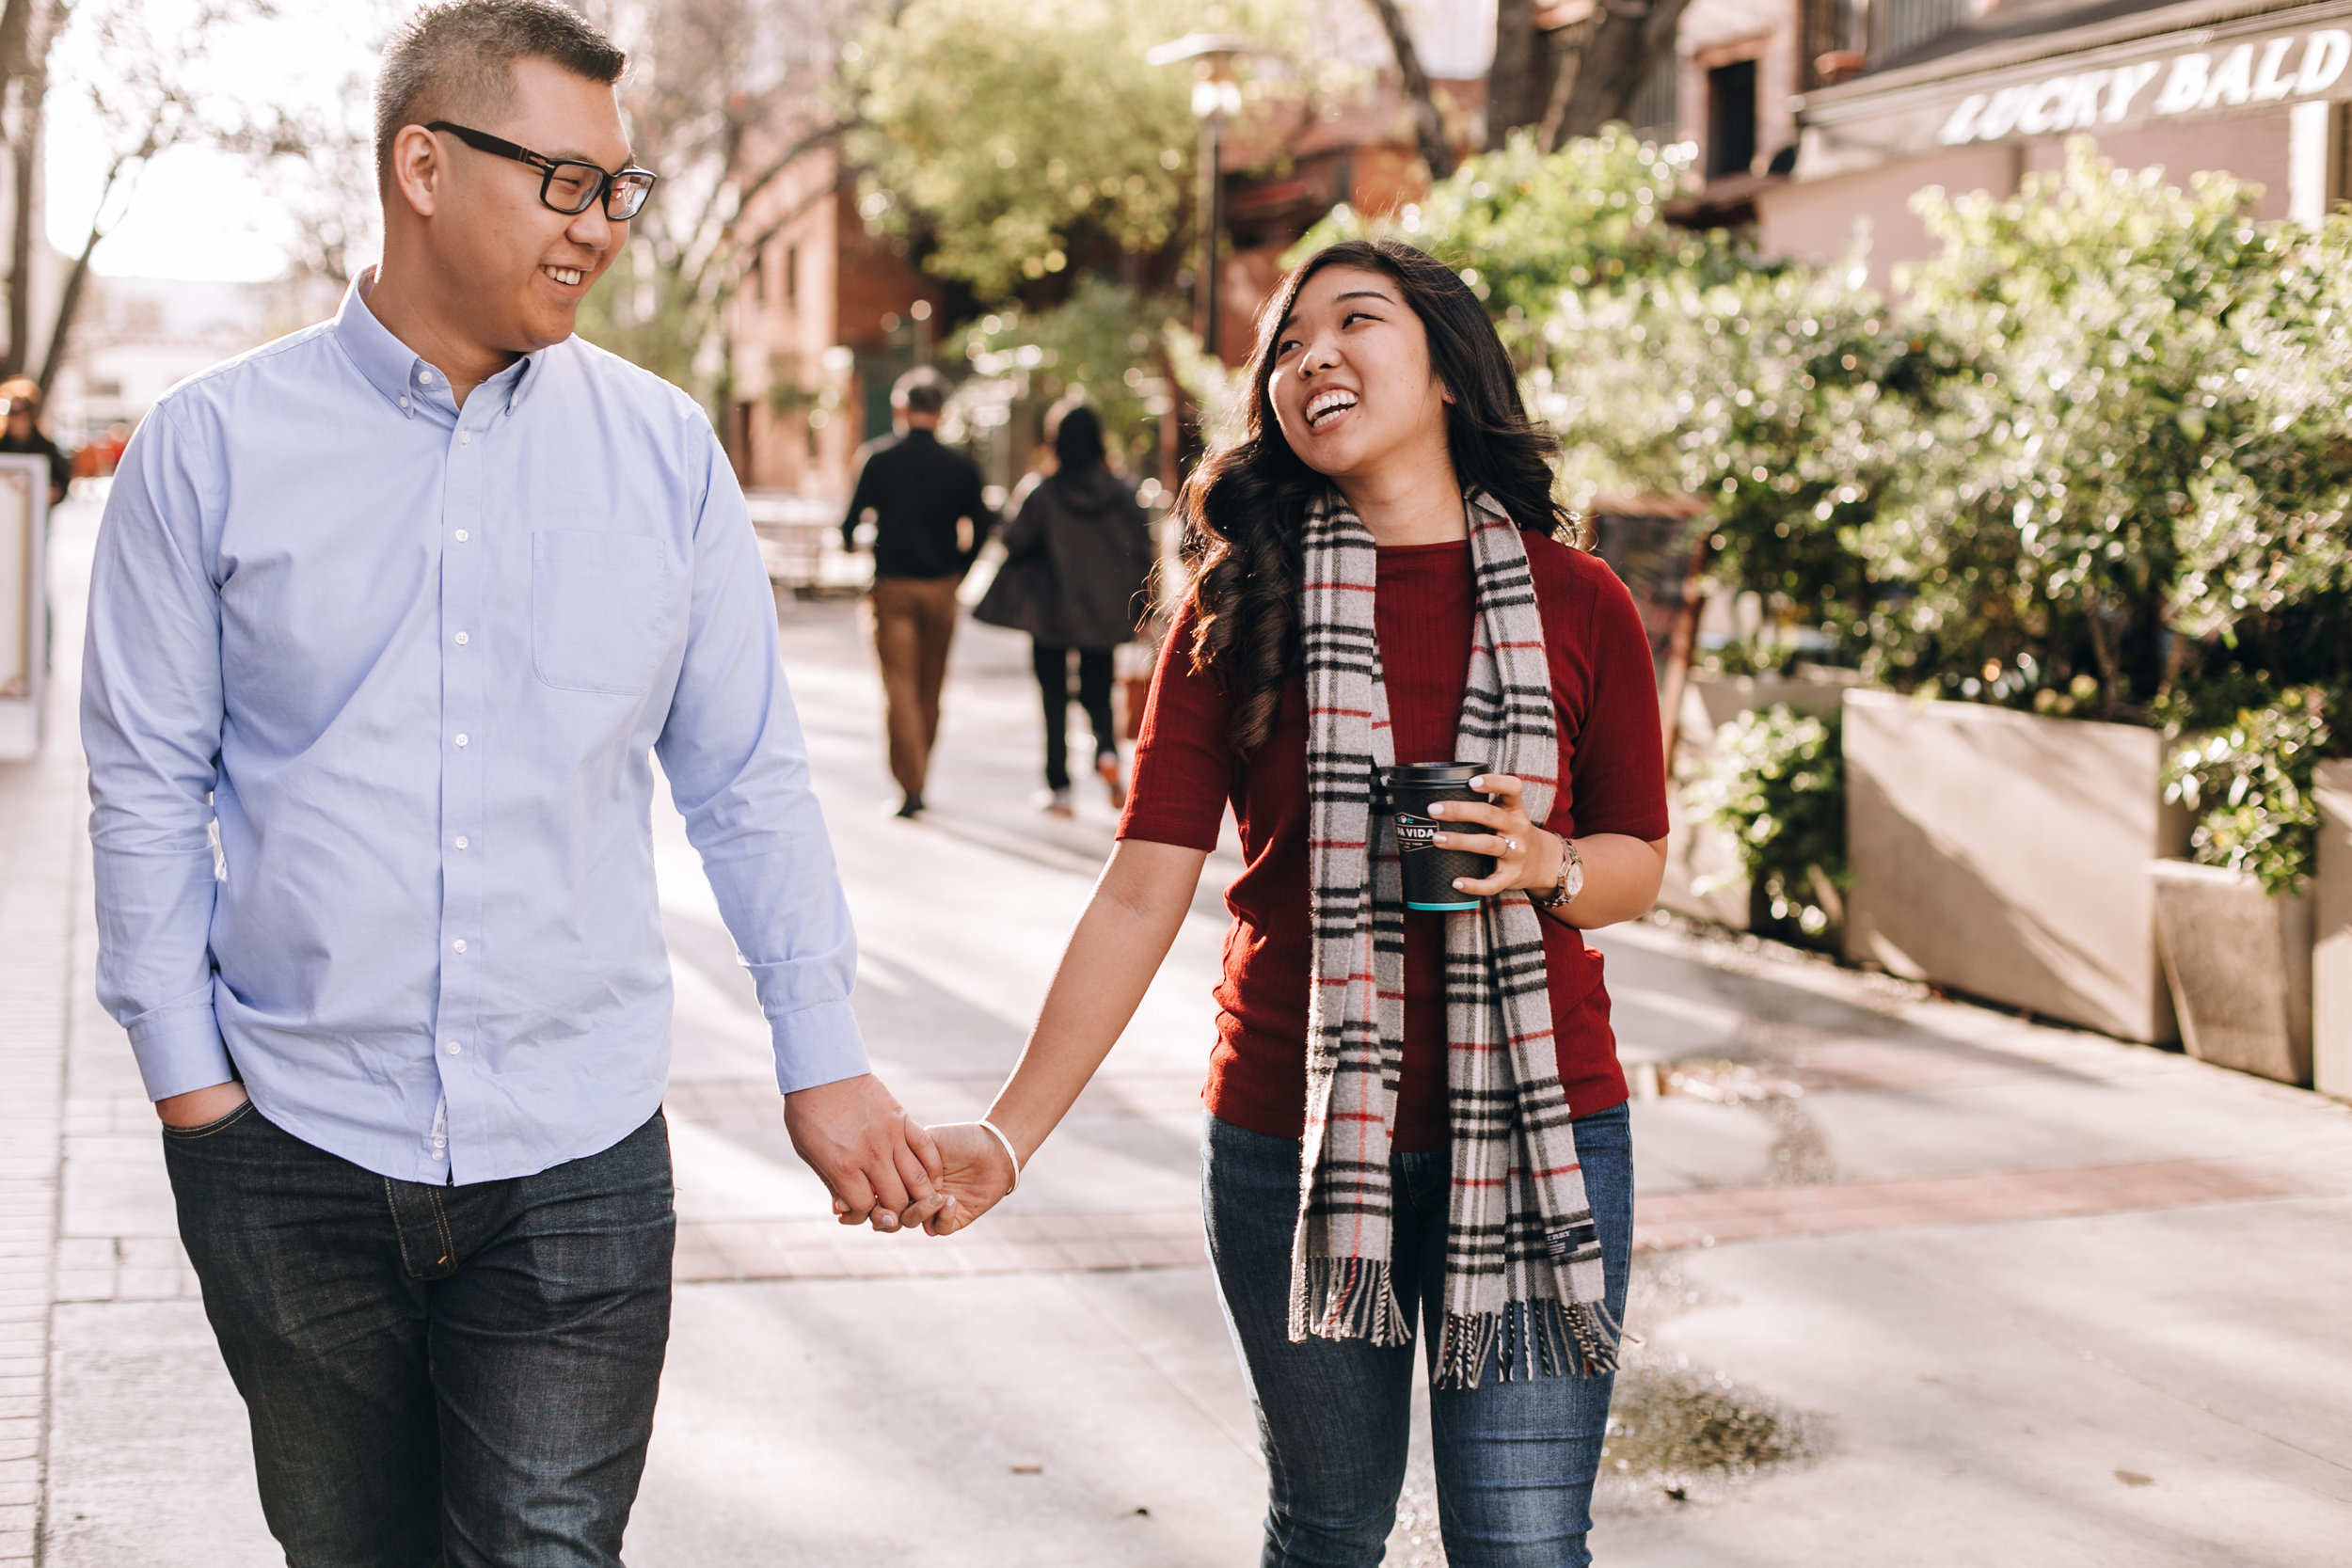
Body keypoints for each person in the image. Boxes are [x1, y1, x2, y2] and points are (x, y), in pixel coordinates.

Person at [80, 4, 942, 1561]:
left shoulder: (667, 452)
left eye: (621, 188)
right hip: (288, 1135)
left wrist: (822, 1054)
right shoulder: (206, 449)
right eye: (565, 181)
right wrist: (193, 1092)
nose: (601, 226)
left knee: (545, 1549)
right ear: (423, 162)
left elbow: (745, 776)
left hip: (579, 1141)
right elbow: (146, 783)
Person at [915, 239, 1671, 1566]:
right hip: (1292, 1141)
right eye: (1287, 343)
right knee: (1329, 1528)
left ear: (1445, 368)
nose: (1311, 355)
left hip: (1550, 1133)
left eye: (1355, 321)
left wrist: (1543, 859)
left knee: (1527, 1541)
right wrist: (1009, 1131)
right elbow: (1145, 886)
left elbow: (1636, 860)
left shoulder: (1580, 599)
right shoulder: (1237, 608)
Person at [840, 364, 996, 817]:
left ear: (900, 409)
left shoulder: (877, 458)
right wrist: (960, 572)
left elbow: (849, 526)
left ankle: (911, 786)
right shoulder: (962, 466)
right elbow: (984, 526)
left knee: (899, 688)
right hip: (942, 587)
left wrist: (855, 542)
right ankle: (919, 774)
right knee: (930, 688)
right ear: (942, 413)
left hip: (893, 589)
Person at [994, 404, 1154, 816]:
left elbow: (1013, 540)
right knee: (1098, 693)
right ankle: (1106, 753)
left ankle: (1059, 789)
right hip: (1102, 613)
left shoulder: (1042, 491)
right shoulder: (1121, 491)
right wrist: (1143, 603)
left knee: (1051, 699)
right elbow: (1142, 549)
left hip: (1049, 612)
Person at [0, 376, 72, 506]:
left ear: (29, 415)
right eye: (10, 413)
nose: (13, 420)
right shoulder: (2, 445)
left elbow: (61, 482)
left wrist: (53, 493)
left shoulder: (46, 448)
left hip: (35, 516)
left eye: (18, 414)